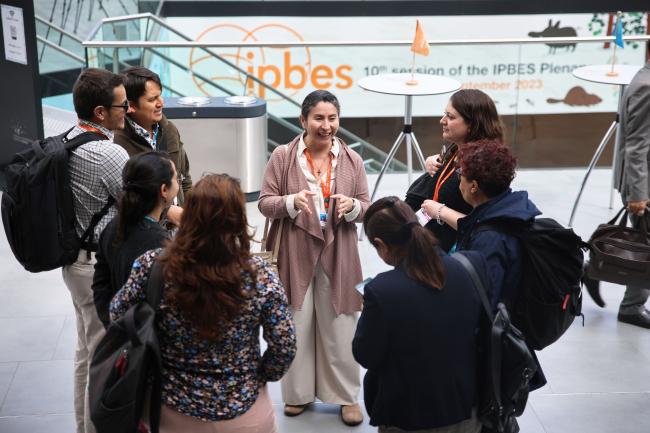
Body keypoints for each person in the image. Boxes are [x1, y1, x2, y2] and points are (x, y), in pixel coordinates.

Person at [109, 173, 296, 432]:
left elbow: (117, 314)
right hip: (243, 407)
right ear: (237, 220)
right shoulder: (259, 275)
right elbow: (284, 345)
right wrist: (261, 375)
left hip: (170, 407)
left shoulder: (153, 265)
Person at [258, 89, 370, 426]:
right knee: (298, 322)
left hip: (339, 249)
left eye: (332, 118)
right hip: (295, 247)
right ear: (303, 120)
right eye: (319, 118)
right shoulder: (282, 155)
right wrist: (291, 202)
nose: (326, 125)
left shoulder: (352, 160)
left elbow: (367, 206)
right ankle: (298, 394)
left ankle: (347, 396)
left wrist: (353, 208)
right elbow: (265, 202)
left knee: (341, 324)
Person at [352, 196, 484, 433]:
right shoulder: (470, 265)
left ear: (382, 245)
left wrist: (371, 315)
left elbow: (366, 355)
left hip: (409, 414)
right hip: (468, 406)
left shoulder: (382, 291)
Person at [65, 68, 132, 433]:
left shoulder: (69, 137)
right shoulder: (108, 154)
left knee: (85, 352)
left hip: (73, 265)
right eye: (122, 105)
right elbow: (137, 207)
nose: (128, 111)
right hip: (95, 270)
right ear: (101, 113)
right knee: (102, 359)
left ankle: (82, 426)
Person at [405, 89, 503, 252]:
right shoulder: (456, 152)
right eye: (445, 114)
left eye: (450, 117)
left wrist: (441, 211)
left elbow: (485, 224)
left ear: (472, 125)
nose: (442, 120)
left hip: (457, 257)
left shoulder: (485, 166)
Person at [92, 152, 178, 328]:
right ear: (164, 190)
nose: (178, 182)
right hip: (146, 340)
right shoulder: (159, 244)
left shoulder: (114, 226)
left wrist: (111, 323)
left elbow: (100, 283)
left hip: (123, 333)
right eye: (177, 178)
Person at [612, 41, 650, 329]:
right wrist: (638, 194)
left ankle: (593, 270)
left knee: (640, 242)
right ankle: (632, 307)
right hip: (643, 185)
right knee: (644, 246)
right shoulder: (646, 85)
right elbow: (637, 145)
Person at [114, 66, 192, 204]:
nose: (161, 103)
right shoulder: (117, 144)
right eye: (152, 99)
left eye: (160, 95)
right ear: (130, 106)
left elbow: (185, 179)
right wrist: (168, 213)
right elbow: (124, 199)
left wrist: (189, 215)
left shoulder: (170, 130)